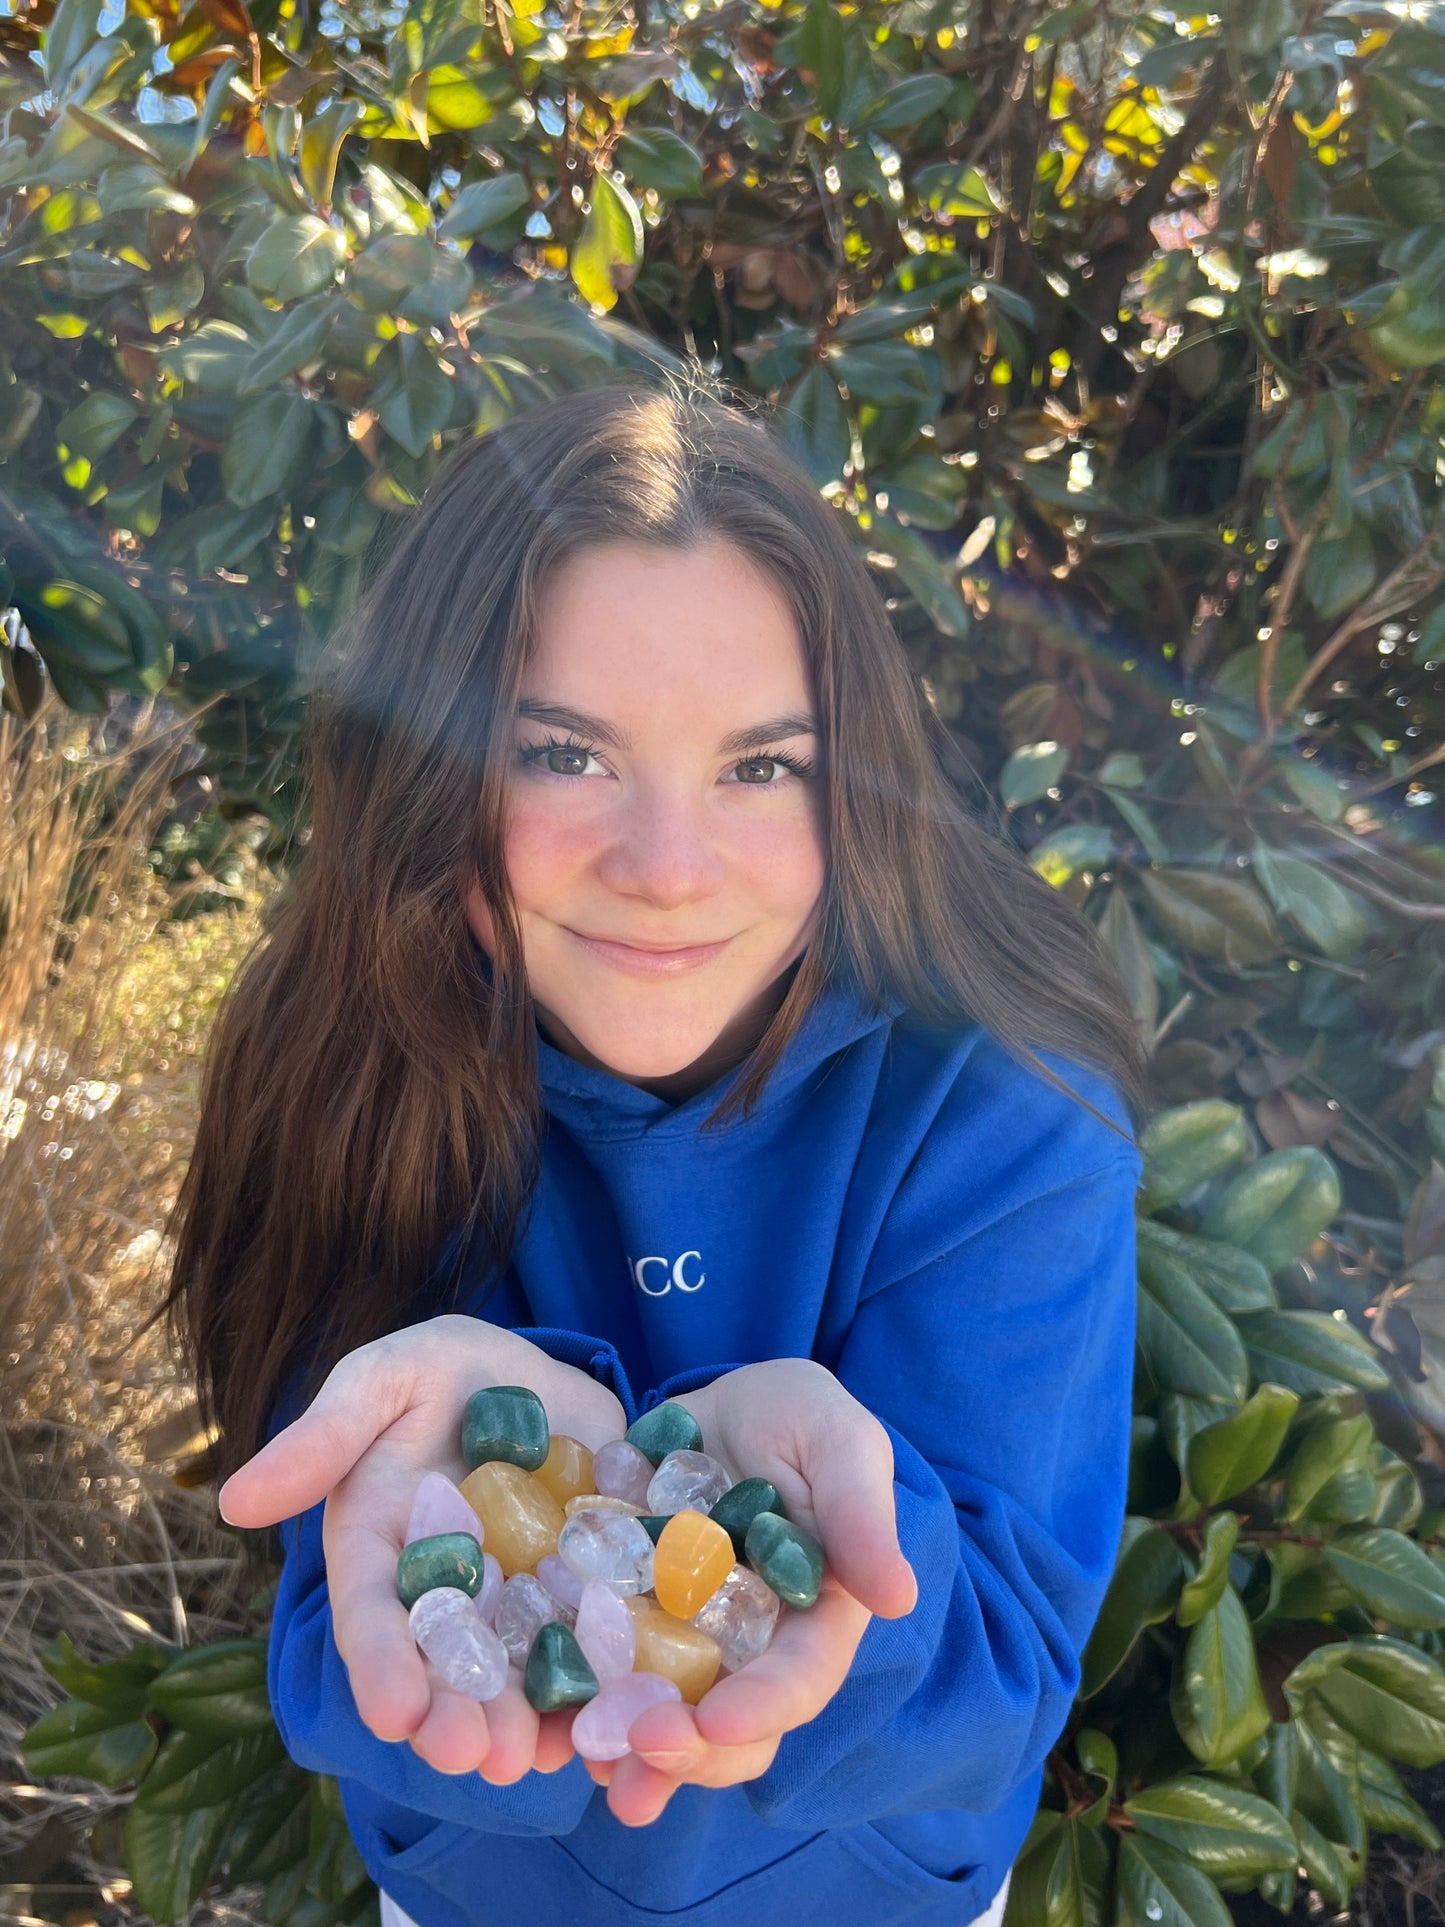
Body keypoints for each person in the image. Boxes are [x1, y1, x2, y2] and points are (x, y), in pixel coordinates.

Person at [162, 373, 1150, 1927]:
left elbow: (1002, 1670)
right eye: (563, 753)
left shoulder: (1010, 1111)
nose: (668, 871)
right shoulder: (342, 1069)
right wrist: (515, 1546)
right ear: (432, 770)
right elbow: (338, 1648)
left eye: (761, 766)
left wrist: (850, 1563)